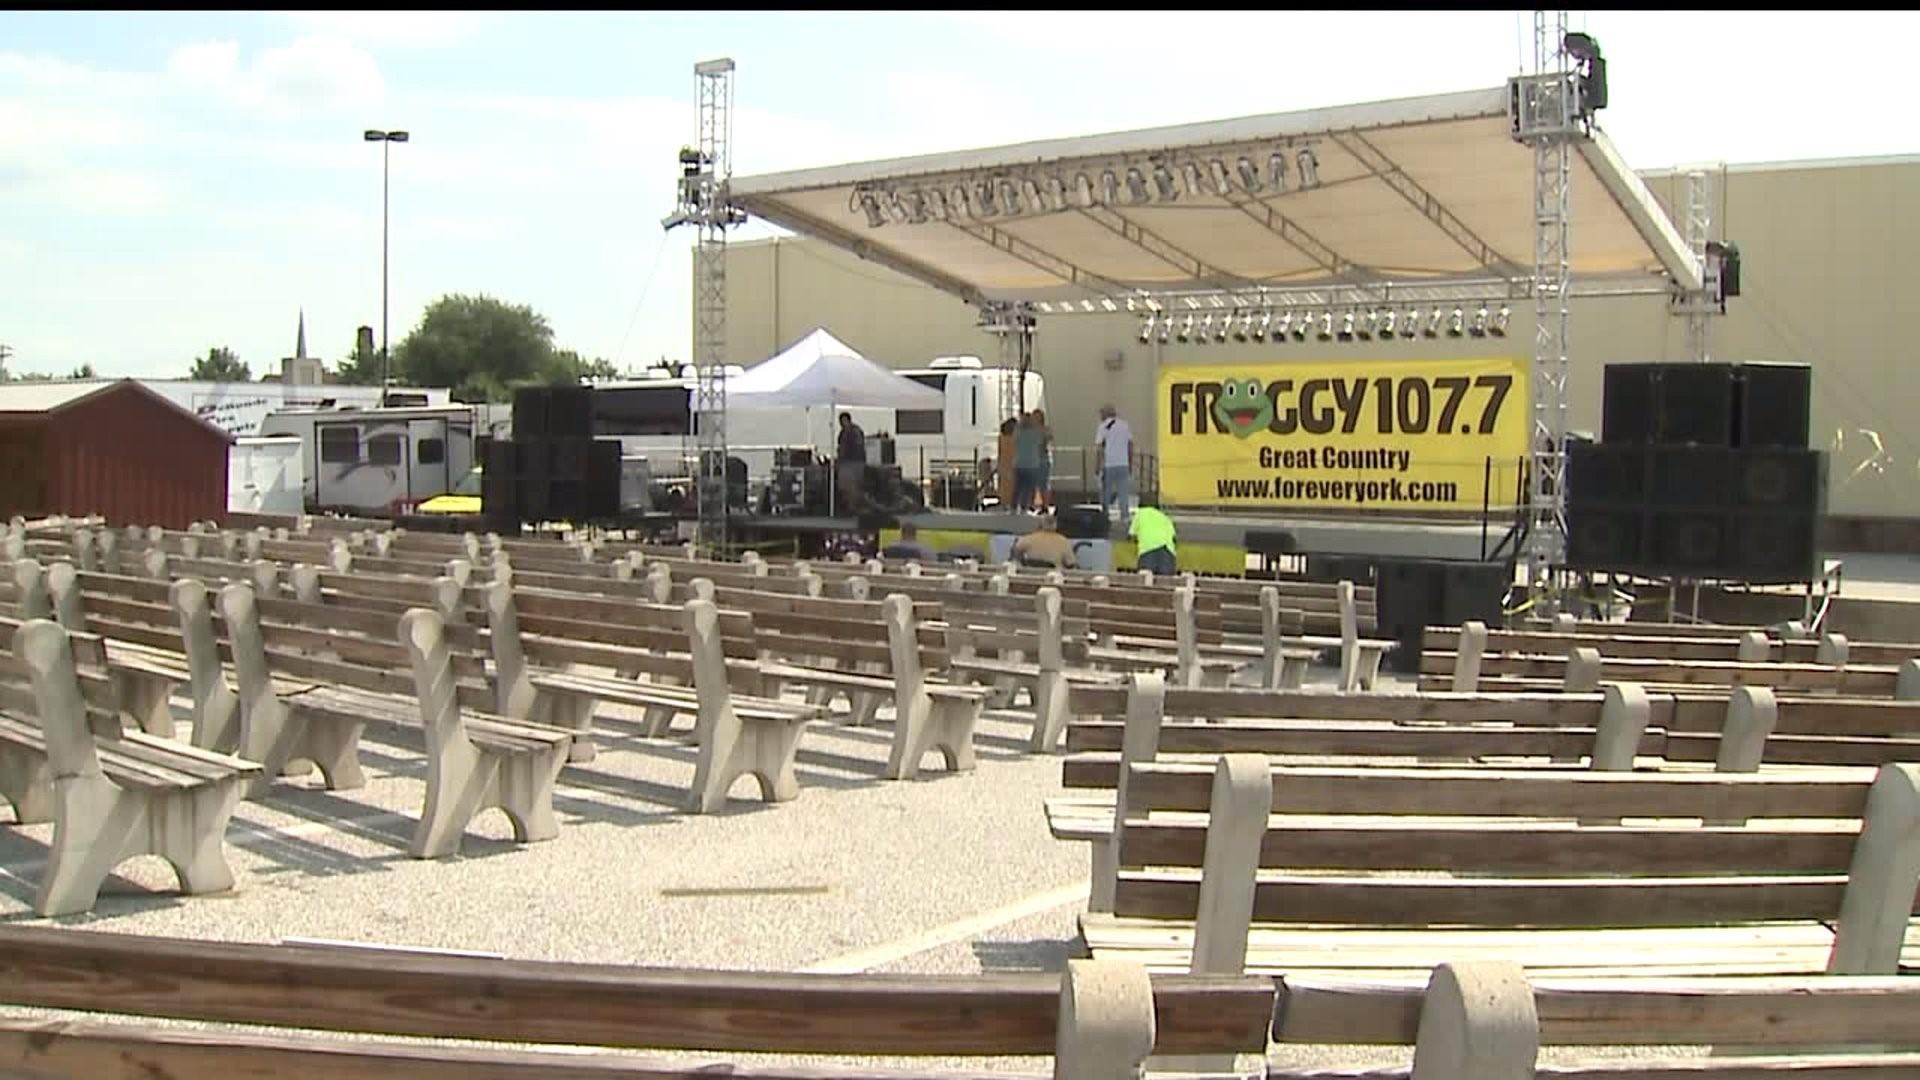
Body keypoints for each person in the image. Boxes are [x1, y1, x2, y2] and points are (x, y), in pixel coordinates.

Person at [1093, 404, 1133, 530]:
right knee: (1123, 492)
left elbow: (1099, 449)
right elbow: (1130, 445)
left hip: (1109, 464)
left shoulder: (1103, 427)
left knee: (1106, 491)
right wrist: (1130, 462)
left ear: (1105, 414)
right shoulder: (1124, 425)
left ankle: (1105, 514)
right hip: (1123, 463)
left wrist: (1098, 465)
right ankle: (1125, 516)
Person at [1011, 512, 1076, 568]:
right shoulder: (1063, 541)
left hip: (1031, 574)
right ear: (1056, 526)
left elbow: (1015, 552)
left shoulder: (1029, 538)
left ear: (1040, 525)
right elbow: (1070, 564)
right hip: (1054, 578)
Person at [1011, 412, 1047, 513]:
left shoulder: (1017, 432)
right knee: (1028, 488)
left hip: (1019, 463)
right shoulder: (1035, 432)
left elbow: (1014, 442)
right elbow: (1041, 442)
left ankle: (1013, 507)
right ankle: (1024, 507)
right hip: (1032, 464)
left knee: (1017, 487)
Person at [1130, 499, 1177, 575]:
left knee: (1145, 581)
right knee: (1166, 583)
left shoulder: (1140, 513)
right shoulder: (1165, 517)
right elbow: (1174, 538)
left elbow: (1132, 536)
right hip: (1168, 553)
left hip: (1148, 551)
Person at [835, 411, 866, 515]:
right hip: (854, 462)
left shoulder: (851, 432)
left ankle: (852, 508)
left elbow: (844, 448)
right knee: (850, 487)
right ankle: (851, 507)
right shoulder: (854, 431)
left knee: (850, 487)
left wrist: (840, 458)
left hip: (851, 463)